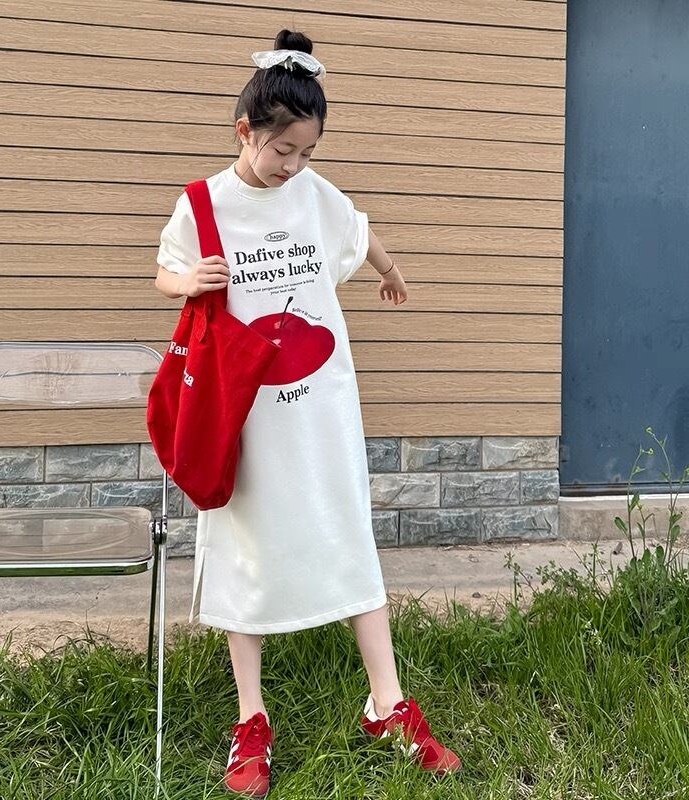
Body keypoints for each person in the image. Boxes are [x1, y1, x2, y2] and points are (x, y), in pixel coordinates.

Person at [153, 27, 461, 798]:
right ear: (244, 130)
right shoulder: (203, 204)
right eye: (281, 149)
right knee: (246, 545)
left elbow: (357, 228)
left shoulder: (312, 193)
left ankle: (387, 704)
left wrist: (391, 270)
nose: (292, 165)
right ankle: (250, 718)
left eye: (306, 151)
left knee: (347, 531)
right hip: (244, 414)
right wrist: (189, 281)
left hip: (320, 406)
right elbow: (164, 271)